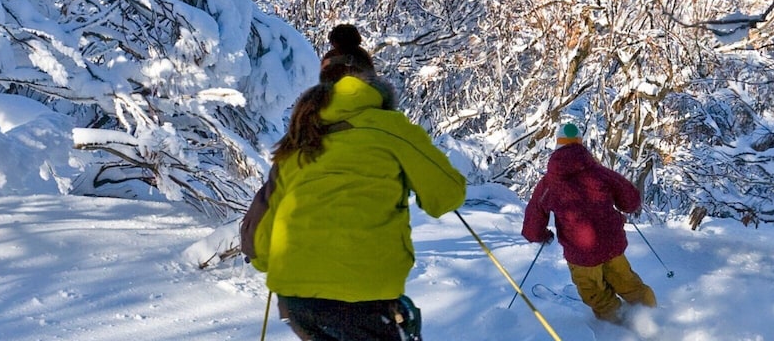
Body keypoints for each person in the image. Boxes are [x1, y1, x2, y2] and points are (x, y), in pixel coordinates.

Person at [245, 25, 466, 341]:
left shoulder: (299, 141)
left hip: (296, 299)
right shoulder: (392, 128)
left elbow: (259, 245)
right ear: (371, 80)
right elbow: (447, 196)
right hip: (363, 295)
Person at [521, 122, 657, 323]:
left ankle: (620, 326)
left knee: (595, 293)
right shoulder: (599, 172)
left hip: (581, 254)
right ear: (580, 144)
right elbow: (631, 200)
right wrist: (620, 205)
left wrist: (540, 235)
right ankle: (653, 318)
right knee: (628, 284)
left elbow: (534, 216)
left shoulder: (550, 182)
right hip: (612, 244)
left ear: (558, 145)